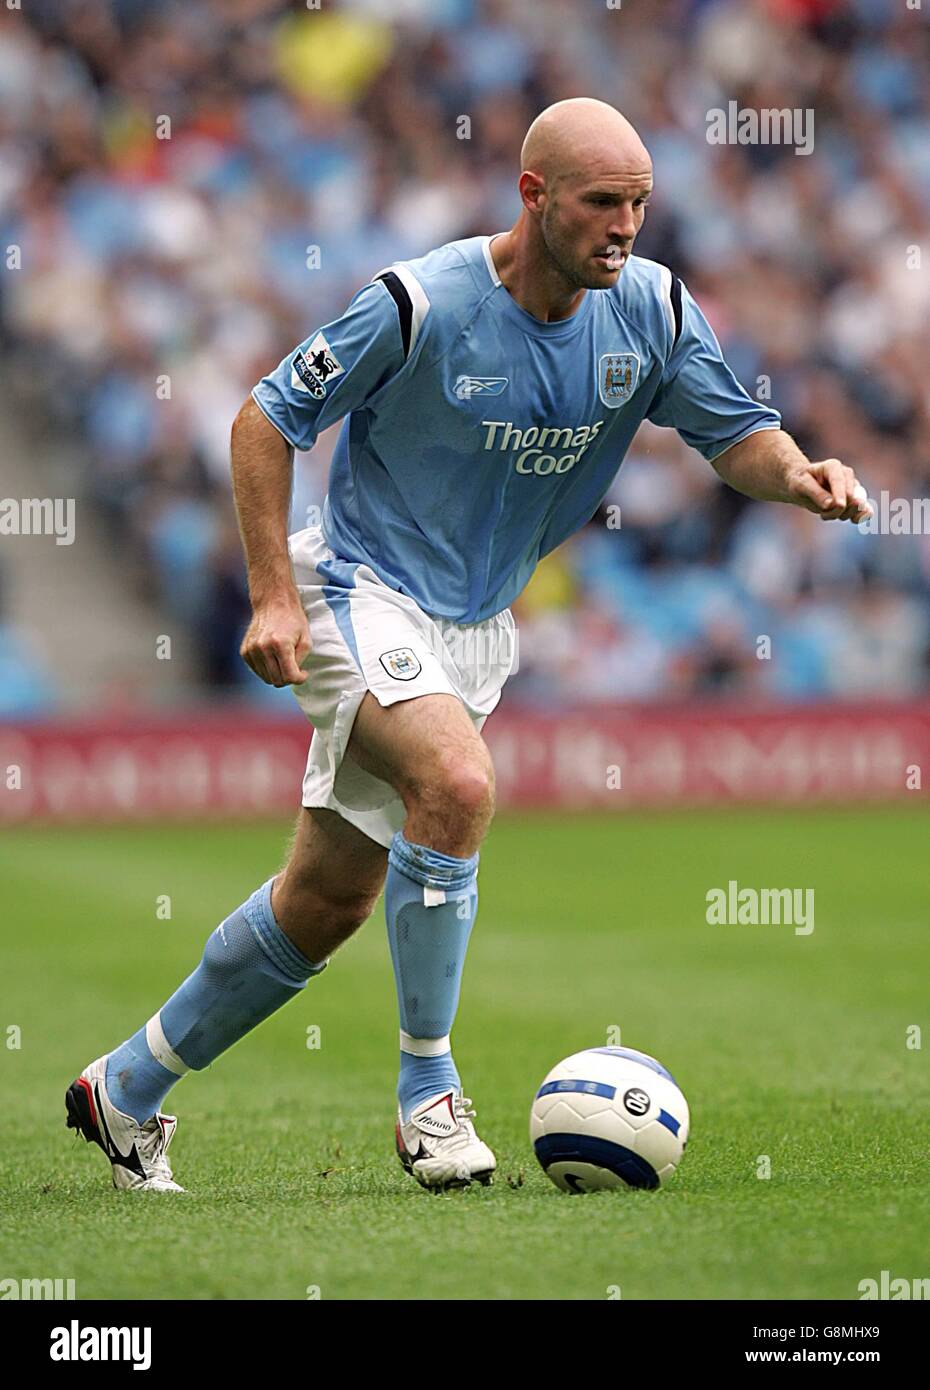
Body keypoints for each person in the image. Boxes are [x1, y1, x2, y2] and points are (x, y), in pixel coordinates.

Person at [66, 98, 870, 1192]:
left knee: (326, 901)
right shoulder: (418, 303)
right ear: (533, 196)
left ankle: (121, 1091)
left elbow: (735, 436)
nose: (625, 225)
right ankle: (428, 1097)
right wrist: (273, 597)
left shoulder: (654, 312)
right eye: (600, 203)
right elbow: (266, 418)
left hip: (476, 628)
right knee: (457, 783)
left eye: (640, 202)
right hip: (361, 586)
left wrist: (803, 476)